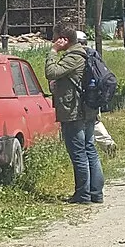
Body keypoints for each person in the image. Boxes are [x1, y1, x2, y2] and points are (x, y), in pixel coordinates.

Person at [45, 25, 104, 204]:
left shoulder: (74, 56)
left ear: (63, 39)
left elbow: (51, 72)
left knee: (80, 153)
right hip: (87, 110)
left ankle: (84, 195)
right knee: (89, 150)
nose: (53, 41)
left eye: (55, 38)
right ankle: (95, 193)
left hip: (75, 111)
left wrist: (53, 51)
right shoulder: (85, 53)